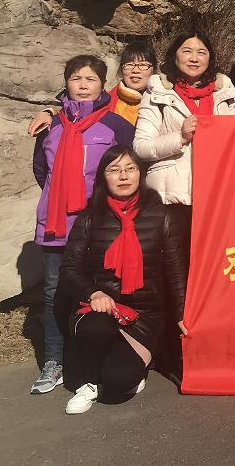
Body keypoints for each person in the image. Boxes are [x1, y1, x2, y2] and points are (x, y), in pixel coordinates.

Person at [31, 55, 136, 396]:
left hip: (99, 225)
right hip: (56, 225)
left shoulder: (116, 125)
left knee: (102, 291)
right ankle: (54, 361)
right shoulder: (51, 126)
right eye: (76, 78)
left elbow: (129, 170)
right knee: (53, 293)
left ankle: (98, 358)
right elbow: (41, 171)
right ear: (66, 83)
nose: (83, 85)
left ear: (103, 85)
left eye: (91, 79)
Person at [59, 146, 189, 414]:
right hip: (102, 309)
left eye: (130, 169)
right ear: (103, 177)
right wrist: (93, 293)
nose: (123, 176)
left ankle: (134, 367)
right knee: (95, 329)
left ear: (140, 174)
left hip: (145, 315)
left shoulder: (162, 216)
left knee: (118, 382)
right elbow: (69, 270)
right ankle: (89, 383)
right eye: (114, 170)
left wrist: (182, 314)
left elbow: (176, 272)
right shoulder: (89, 218)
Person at [134, 29, 235, 207]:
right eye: (187, 51)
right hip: (174, 197)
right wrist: (180, 137)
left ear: (210, 59)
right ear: (174, 56)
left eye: (201, 52)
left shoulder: (224, 93)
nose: (194, 58)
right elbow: (140, 148)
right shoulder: (158, 91)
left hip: (218, 193)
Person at [28, 41, 156, 136]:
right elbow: (78, 114)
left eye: (143, 65)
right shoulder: (108, 100)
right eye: (129, 64)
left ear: (153, 70)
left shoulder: (163, 99)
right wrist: (49, 113)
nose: (135, 70)